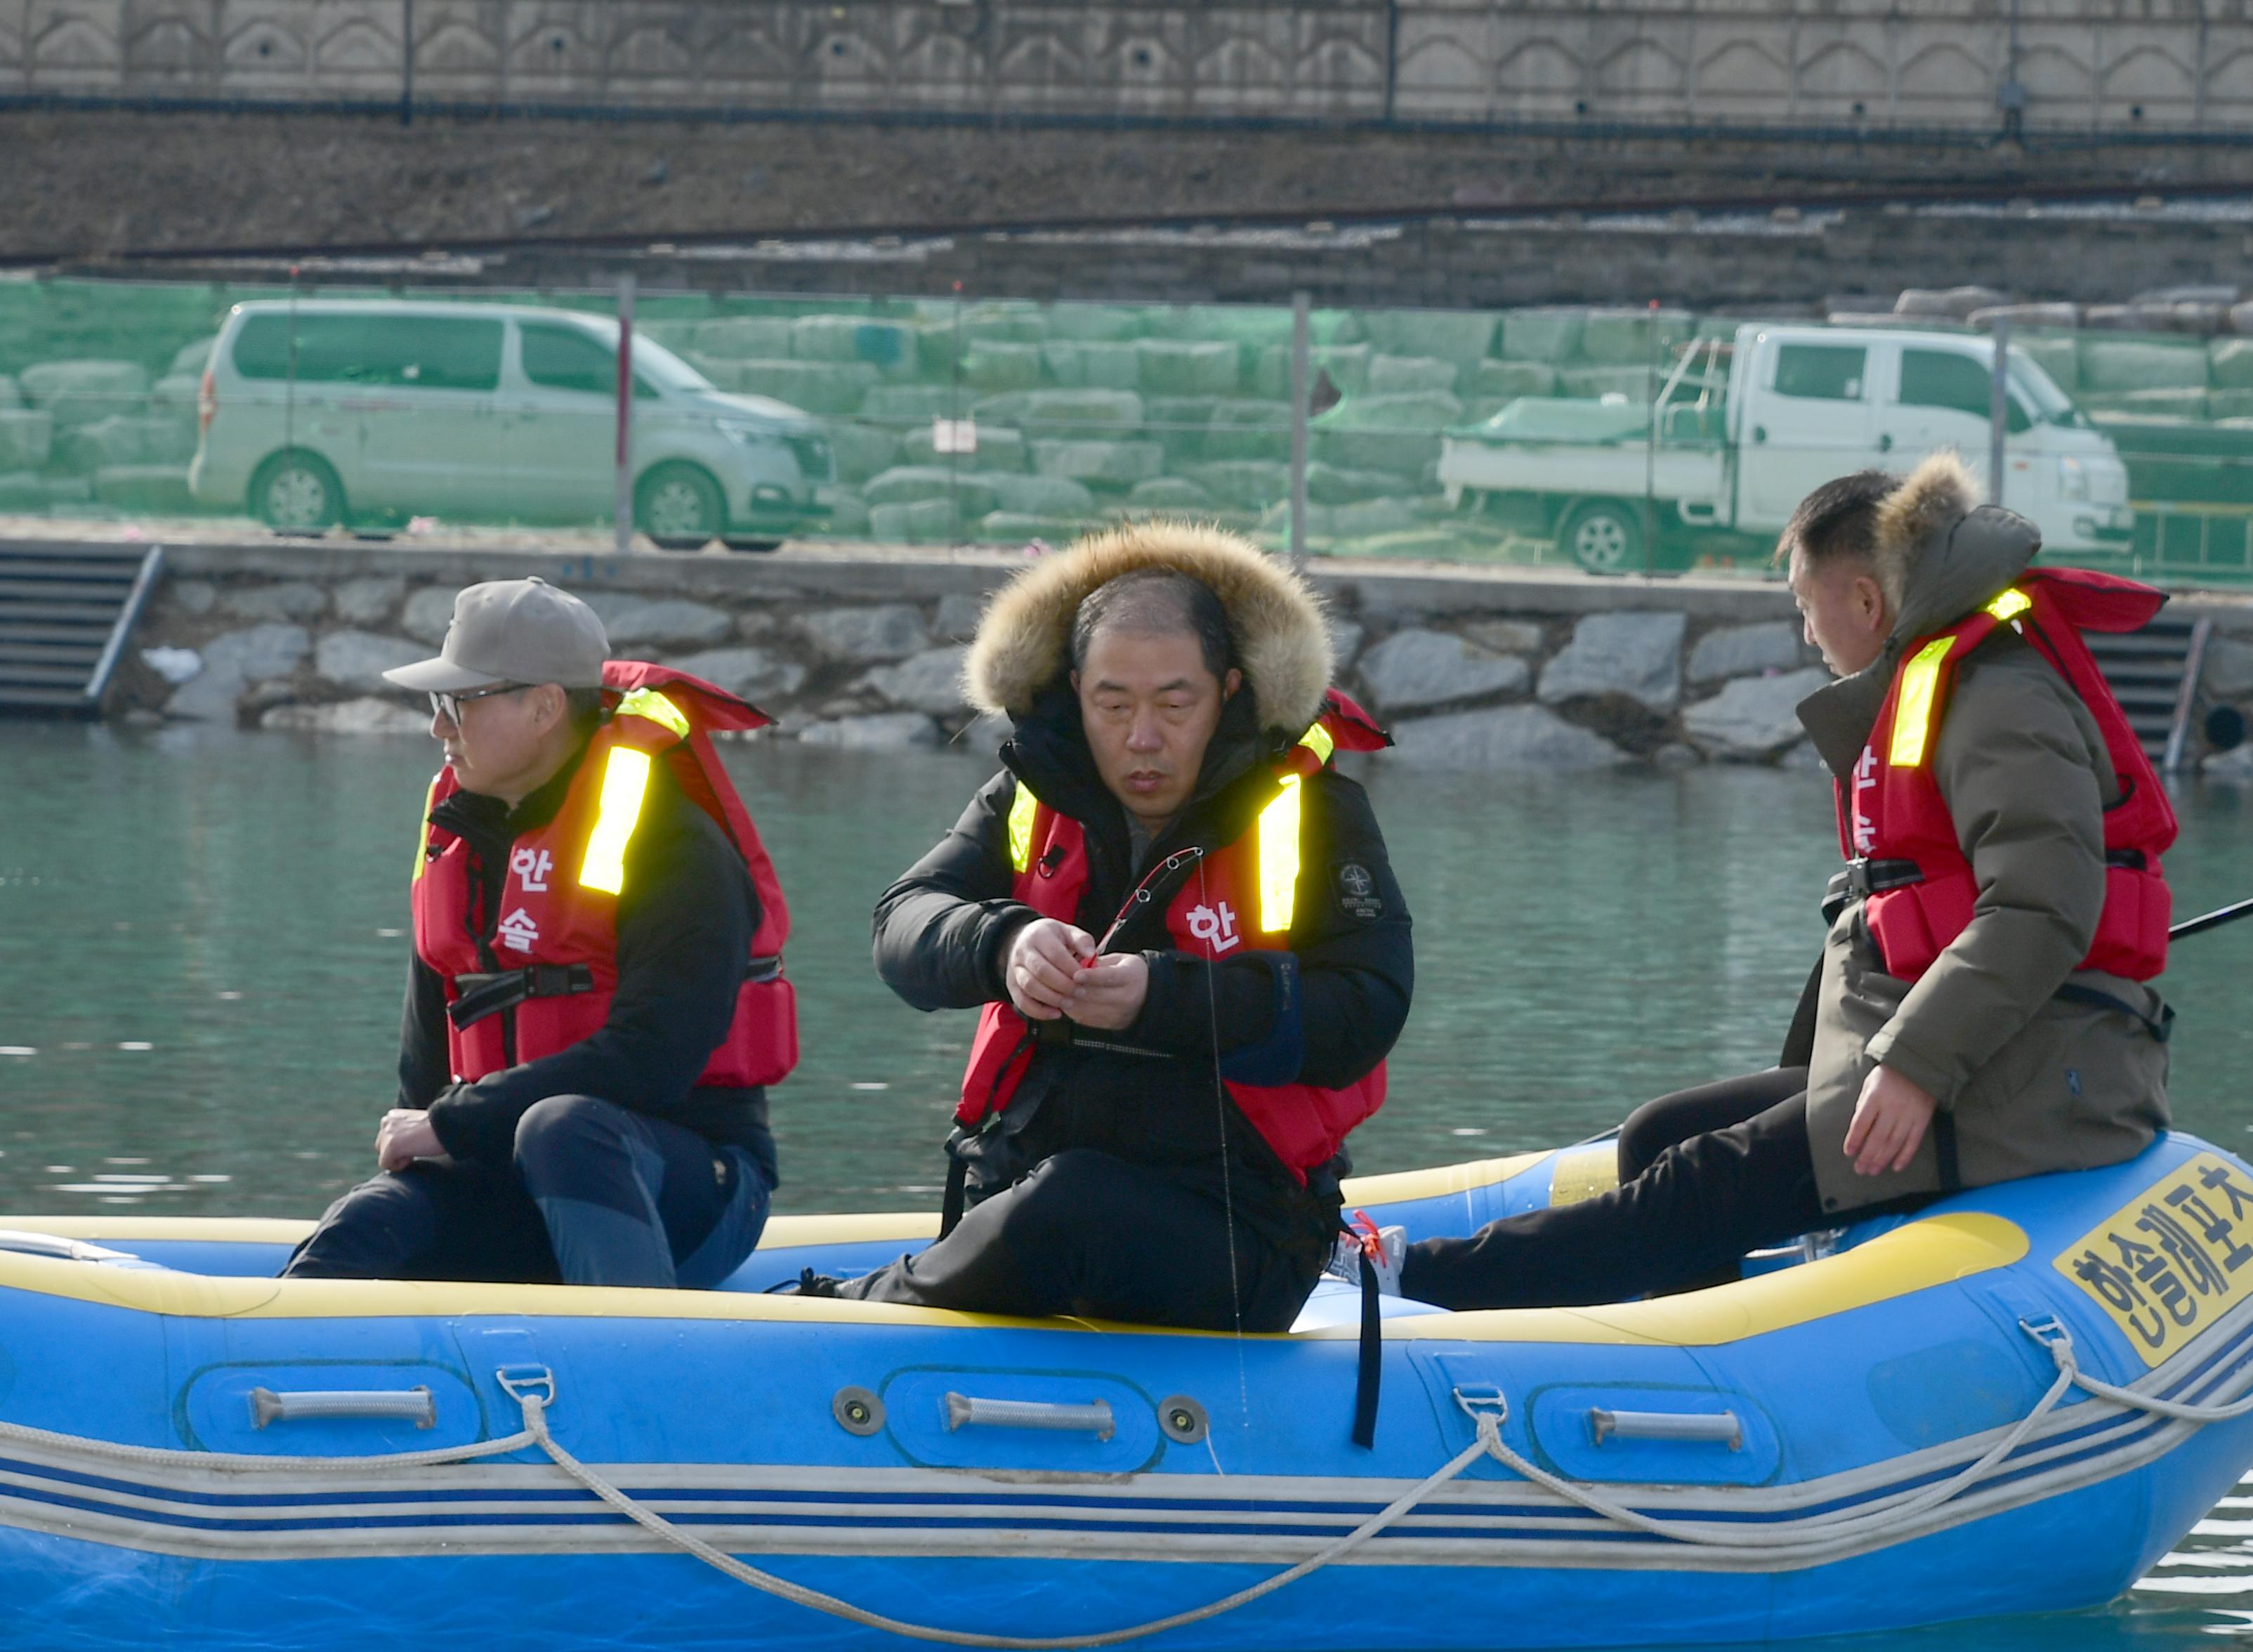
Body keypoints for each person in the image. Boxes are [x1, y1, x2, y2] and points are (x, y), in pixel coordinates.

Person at [1369, 454, 2176, 1311]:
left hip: (2034, 1078)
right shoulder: (1947, 678)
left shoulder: (1999, 698)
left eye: (1804, 604)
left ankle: (1416, 1282)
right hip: (1988, 1051)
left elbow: (2041, 904)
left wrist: (1914, 1066)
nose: (1804, 632)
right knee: (1659, 1133)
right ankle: (1688, 1364)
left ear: (1866, 601)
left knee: (1703, 1178)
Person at [822, 524, 1411, 1330]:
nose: (1143, 737)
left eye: (1176, 703)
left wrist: (1161, 996)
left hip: (1239, 1231)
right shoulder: (1027, 792)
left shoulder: (1316, 812)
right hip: (1020, 1194)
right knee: (1057, 1199)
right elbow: (903, 922)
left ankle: (837, 1314)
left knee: (1073, 1203)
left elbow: (1367, 1007)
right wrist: (1004, 944)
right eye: (1113, 703)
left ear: (1230, 691)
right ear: (1075, 689)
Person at [282, 577, 794, 1288]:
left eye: (458, 703)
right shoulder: (457, 837)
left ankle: (637, 1368)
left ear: (545, 705)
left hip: (690, 1183)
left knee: (563, 1130)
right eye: (438, 704)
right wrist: (439, 1143)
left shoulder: (676, 845)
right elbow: (426, 1067)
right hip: (510, 1171)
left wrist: (457, 1123)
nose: (439, 727)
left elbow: (653, 1058)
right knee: (362, 1225)